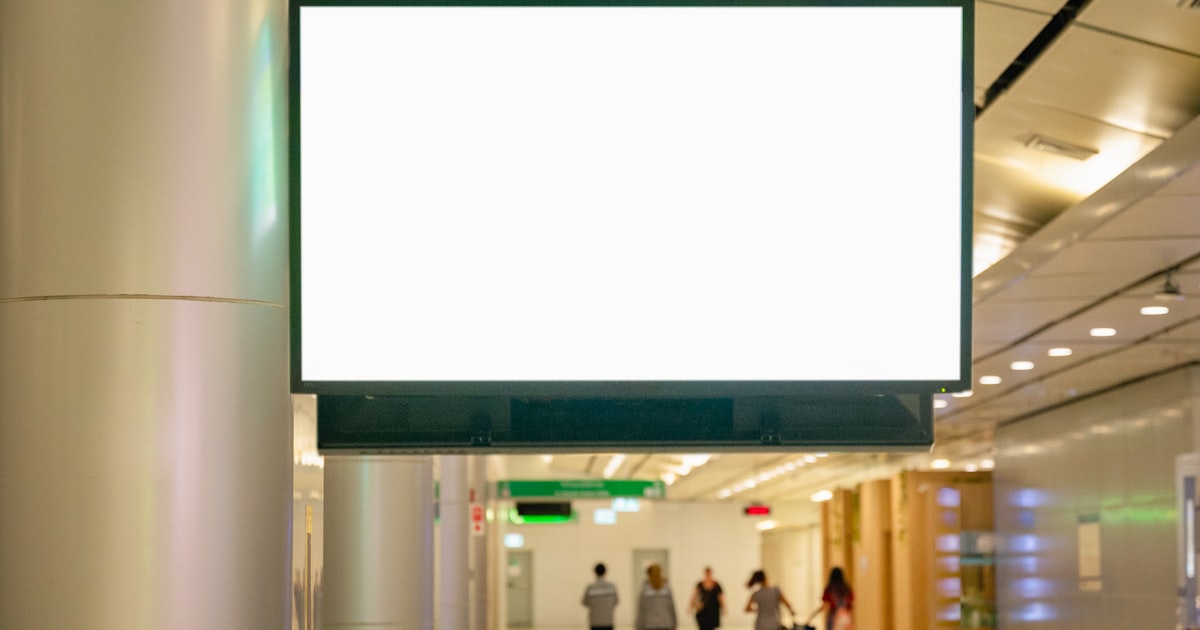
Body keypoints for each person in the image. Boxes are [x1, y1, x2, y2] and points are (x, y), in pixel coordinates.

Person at [636, 563, 677, 630]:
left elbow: (642, 609)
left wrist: (638, 625)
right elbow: (671, 607)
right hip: (665, 623)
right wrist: (674, 623)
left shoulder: (645, 589)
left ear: (648, 574)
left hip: (649, 624)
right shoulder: (666, 588)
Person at [582, 562, 618, 630]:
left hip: (595, 622)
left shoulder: (590, 587)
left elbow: (584, 602)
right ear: (605, 572)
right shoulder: (611, 587)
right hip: (608, 621)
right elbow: (616, 601)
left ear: (595, 572)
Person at [690, 566, 724, 630]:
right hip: (703, 609)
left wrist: (723, 607)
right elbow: (694, 595)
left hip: (713, 609)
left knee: (711, 627)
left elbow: (720, 597)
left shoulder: (716, 584)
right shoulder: (700, 584)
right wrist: (691, 606)